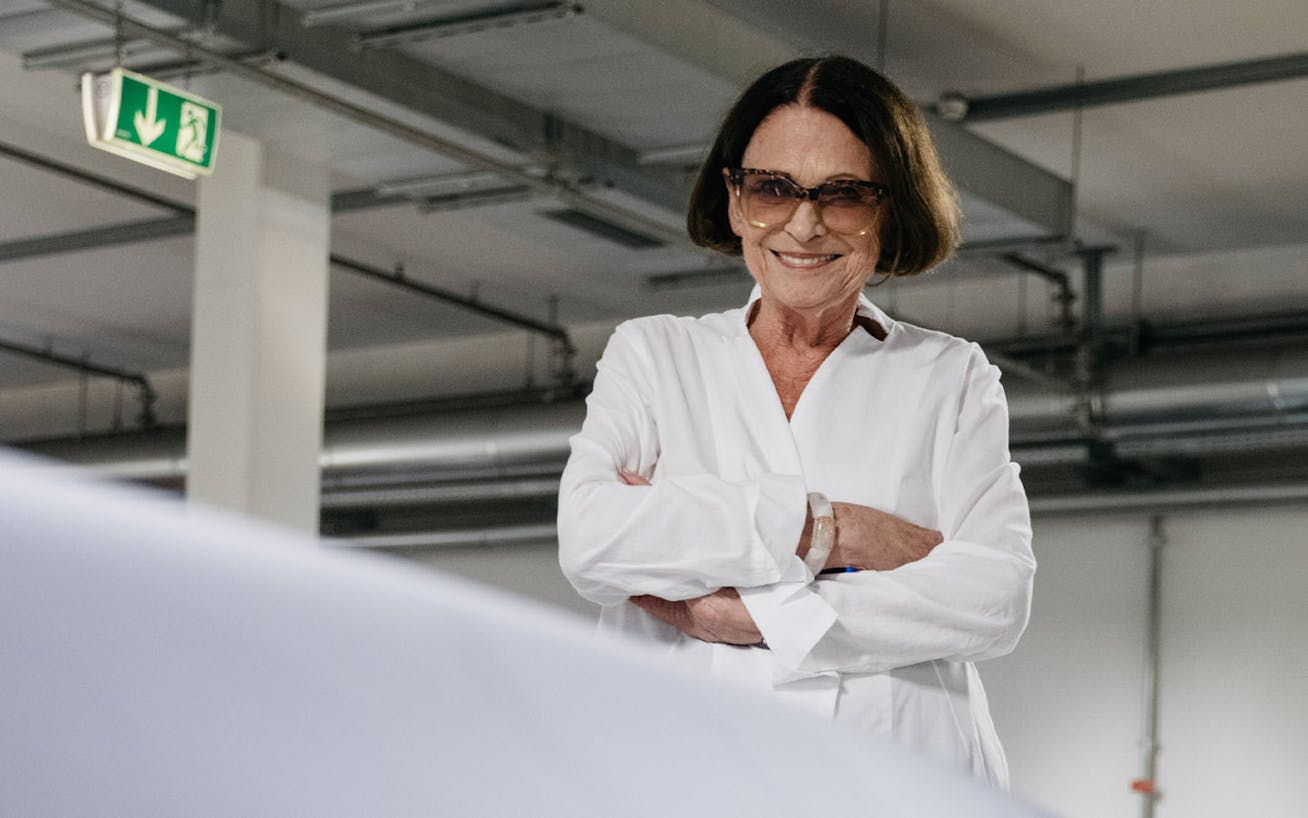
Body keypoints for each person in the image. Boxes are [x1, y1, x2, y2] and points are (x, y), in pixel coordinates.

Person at [557, 55, 1035, 787]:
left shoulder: (951, 376)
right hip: (684, 776)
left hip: (901, 778)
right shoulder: (658, 354)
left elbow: (994, 598)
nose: (803, 226)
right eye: (772, 188)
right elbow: (593, 538)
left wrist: (750, 618)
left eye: (843, 194)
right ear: (732, 195)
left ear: (890, 206)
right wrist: (828, 530)